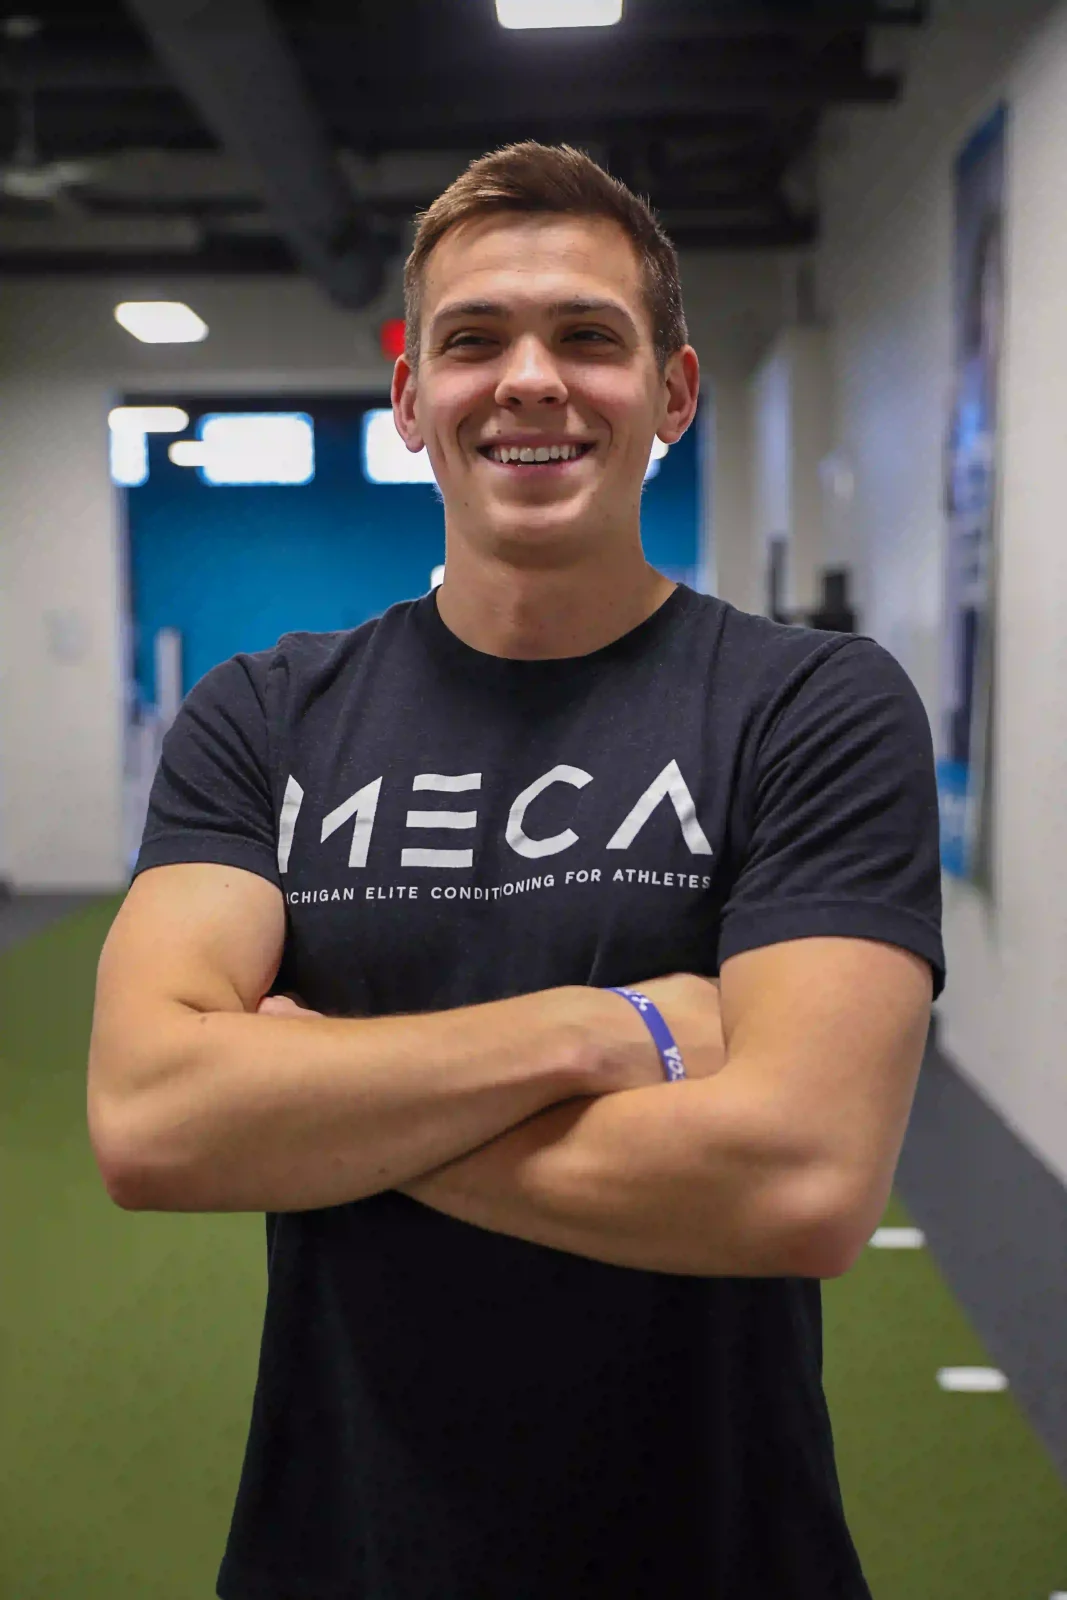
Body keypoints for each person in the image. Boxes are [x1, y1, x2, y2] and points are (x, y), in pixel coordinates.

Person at [87, 141, 945, 1600]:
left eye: (588, 338)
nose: (530, 379)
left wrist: (318, 1104)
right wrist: (614, 1029)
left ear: (668, 394)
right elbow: (156, 1124)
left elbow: (797, 1181)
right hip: (337, 1551)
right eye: (474, 339)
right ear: (412, 396)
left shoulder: (808, 707)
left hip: (719, 1553)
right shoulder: (266, 716)